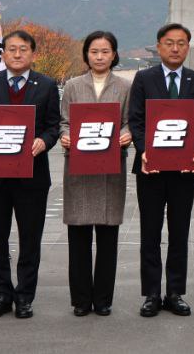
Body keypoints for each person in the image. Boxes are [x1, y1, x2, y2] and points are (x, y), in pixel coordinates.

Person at [0, 30, 62, 320]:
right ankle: (0, 294)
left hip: (32, 175)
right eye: (11, 49)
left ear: (33, 54)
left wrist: (44, 142)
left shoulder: (47, 86)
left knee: (30, 238)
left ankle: (25, 296)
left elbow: (53, 126)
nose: (17, 54)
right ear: (3, 54)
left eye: (23, 49)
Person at [127, 23, 194, 318]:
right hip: (150, 168)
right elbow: (136, 119)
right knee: (149, 232)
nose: (175, 48)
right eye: (169, 43)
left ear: (188, 47)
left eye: (181, 43)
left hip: (184, 169)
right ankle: (151, 293)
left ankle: (175, 292)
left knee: (179, 232)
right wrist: (143, 150)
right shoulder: (143, 78)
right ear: (159, 46)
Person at [59, 31, 132, 316]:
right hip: (79, 169)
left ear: (114, 54)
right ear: (86, 55)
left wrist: (126, 135)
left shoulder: (125, 87)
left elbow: (129, 122)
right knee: (78, 237)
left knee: (107, 237)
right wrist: (65, 136)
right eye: (94, 51)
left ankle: (102, 299)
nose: (99, 56)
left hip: (110, 169)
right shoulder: (74, 86)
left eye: (105, 51)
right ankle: (80, 299)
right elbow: (64, 121)